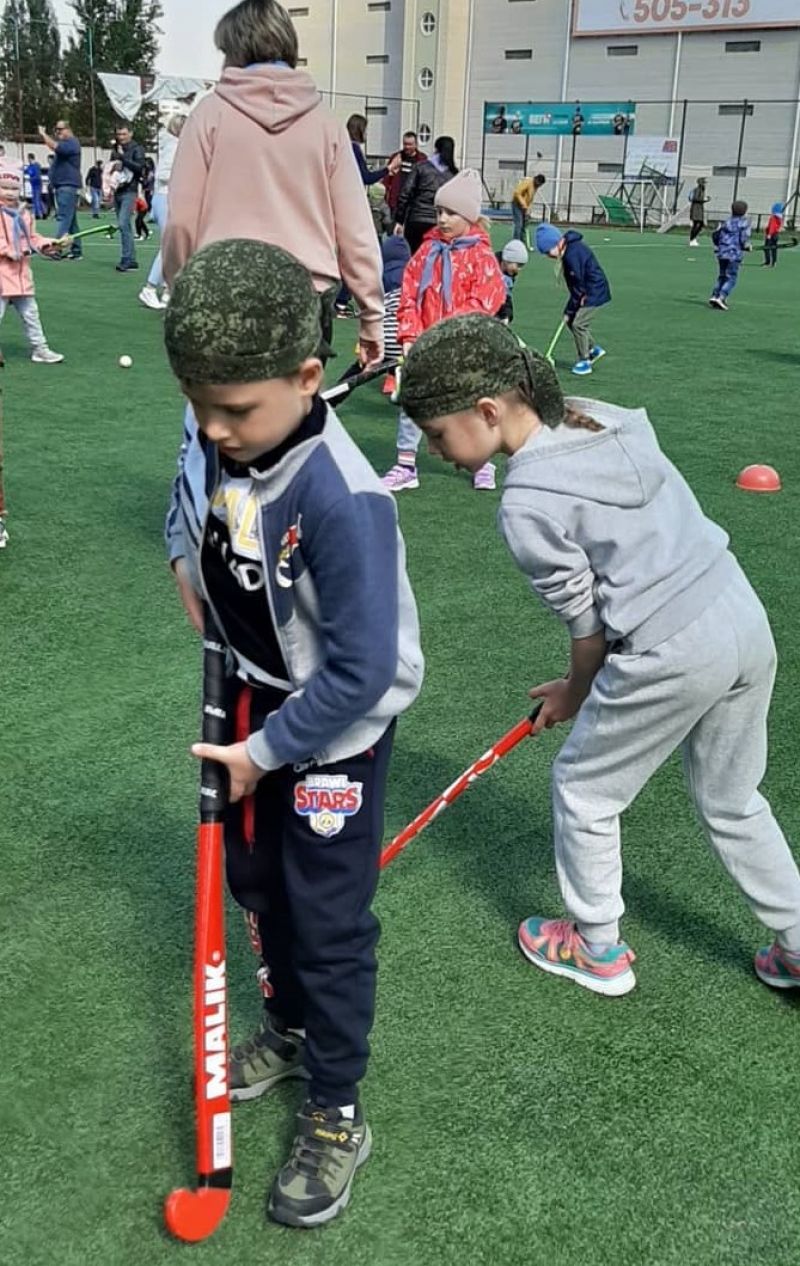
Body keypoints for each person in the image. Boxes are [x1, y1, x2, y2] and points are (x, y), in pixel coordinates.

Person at [397, 312, 800, 998]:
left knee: (585, 790)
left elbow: (589, 633)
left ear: (488, 410)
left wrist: (573, 691)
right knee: (732, 799)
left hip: (671, 649)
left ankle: (596, 947)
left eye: (437, 433)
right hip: (740, 615)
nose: (435, 450)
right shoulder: (602, 418)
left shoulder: (525, 503)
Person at [164, 238, 424, 1227]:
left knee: (326, 920)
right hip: (254, 700)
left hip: (330, 736)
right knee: (258, 883)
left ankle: (336, 1108)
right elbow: (194, 503)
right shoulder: (220, 435)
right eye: (198, 405)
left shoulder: (342, 498)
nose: (213, 427)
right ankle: (287, 1025)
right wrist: (187, 569)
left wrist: (261, 754)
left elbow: (363, 672)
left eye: (234, 410)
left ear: (308, 378)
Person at [163, 0, 384, 368]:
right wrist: (371, 315)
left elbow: (181, 221)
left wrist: (181, 290)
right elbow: (356, 230)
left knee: (224, 403)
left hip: (224, 294)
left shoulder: (208, 115)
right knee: (298, 405)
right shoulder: (327, 123)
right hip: (305, 296)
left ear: (235, 50)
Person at [382, 168, 506, 494]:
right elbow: (408, 296)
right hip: (424, 345)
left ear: (469, 216)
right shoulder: (426, 250)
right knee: (413, 402)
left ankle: (481, 462)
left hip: (463, 348)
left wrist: (449, 336)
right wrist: (410, 336)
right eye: (439, 211)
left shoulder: (481, 256)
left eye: (451, 212)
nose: (442, 219)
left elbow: (486, 300)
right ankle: (405, 465)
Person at [0, 162, 64, 365]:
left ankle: (40, 349)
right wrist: (7, 251)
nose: (9, 192)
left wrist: (47, 244)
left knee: (31, 314)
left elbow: (32, 238)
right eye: (4, 187)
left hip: (22, 276)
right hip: (2, 276)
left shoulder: (25, 213)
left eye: (13, 188)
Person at [535, 223, 611, 377]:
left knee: (578, 324)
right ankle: (592, 349)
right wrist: (569, 312)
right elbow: (576, 287)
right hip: (586, 291)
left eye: (548, 251)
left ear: (556, 243)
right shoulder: (569, 251)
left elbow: (578, 287)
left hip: (593, 292)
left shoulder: (572, 254)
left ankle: (585, 361)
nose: (548, 256)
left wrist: (570, 310)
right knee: (571, 320)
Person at [139, 113, 185, 311]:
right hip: (166, 198)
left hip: (168, 198)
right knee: (169, 246)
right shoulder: (175, 147)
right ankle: (150, 287)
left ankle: (168, 289)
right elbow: (164, 174)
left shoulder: (174, 146)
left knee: (177, 246)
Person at [393, 135, 459, 256]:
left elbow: (405, 193)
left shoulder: (421, 167)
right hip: (439, 221)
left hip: (416, 219)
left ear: (436, 149)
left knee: (414, 257)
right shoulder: (453, 174)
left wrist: (399, 219)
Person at [38, 119, 82, 259]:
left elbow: (55, 147)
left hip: (67, 186)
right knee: (71, 220)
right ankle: (77, 250)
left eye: (60, 129)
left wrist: (43, 134)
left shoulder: (72, 143)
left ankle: (56, 249)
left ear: (68, 129)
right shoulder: (67, 143)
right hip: (63, 186)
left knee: (64, 218)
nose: (57, 132)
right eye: (56, 130)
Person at [110, 122, 146, 272]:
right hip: (118, 189)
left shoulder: (137, 149)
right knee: (125, 226)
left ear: (131, 134)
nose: (121, 137)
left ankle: (126, 258)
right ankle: (131, 259)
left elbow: (140, 168)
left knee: (123, 223)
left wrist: (123, 158)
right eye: (119, 134)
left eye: (124, 134)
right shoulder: (116, 148)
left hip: (130, 191)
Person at [709, 199, 752, 311]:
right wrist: (747, 246)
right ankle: (722, 297)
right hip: (734, 254)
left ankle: (715, 295)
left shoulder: (726, 222)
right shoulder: (744, 223)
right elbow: (744, 238)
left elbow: (717, 236)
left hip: (722, 252)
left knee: (722, 275)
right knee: (731, 277)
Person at [384, 131, 427, 217]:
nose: (407, 147)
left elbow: (425, 180)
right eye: (405, 144)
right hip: (396, 201)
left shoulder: (422, 160)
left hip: (414, 203)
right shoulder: (396, 157)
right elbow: (387, 177)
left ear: (416, 144)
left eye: (410, 144)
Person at [495, 238, 529, 324]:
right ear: (508, 261)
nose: (519, 269)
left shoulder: (509, 275)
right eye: (518, 265)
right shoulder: (488, 269)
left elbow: (506, 297)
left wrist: (507, 315)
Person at [510, 172, 545, 242]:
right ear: (536, 180)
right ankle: (516, 242)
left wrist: (528, 211)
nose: (539, 186)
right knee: (519, 224)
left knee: (524, 225)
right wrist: (523, 204)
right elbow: (517, 192)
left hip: (524, 207)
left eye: (540, 185)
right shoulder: (528, 182)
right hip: (517, 204)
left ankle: (522, 241)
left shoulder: (535, 187)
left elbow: (530, 199)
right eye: (539, 184)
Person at [688, 177, 709, 248]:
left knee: (698, 224)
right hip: (696, 209)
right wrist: (704, 199)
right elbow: (695, 198)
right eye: (704, 183)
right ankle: (692, 239)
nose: (705, 184)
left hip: (699, 208)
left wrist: (705, 199)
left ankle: (693, 239)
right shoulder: (697, 190)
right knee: (698, 224)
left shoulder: (701, 190)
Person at [763, 201, 783, 269]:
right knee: (774, 248)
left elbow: (772, 226)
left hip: (771, 235)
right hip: (776, 235)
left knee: (766, 248)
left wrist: (769, 234)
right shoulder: (780, 218)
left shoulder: (773, 217)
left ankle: (768, 262)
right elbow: (777, 227)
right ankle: (774, 262)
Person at [24, 154, 44, 219]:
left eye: (29, 159)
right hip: (33, 185)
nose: (28, 160)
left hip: (37, 184)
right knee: (35, 199)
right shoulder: (30, 166)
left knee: (37, 199)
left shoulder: (36, 166)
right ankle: (42, 212)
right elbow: (26, 171)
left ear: (31, 158)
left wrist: (31, 179)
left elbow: (37, 176)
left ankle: (39, 214)